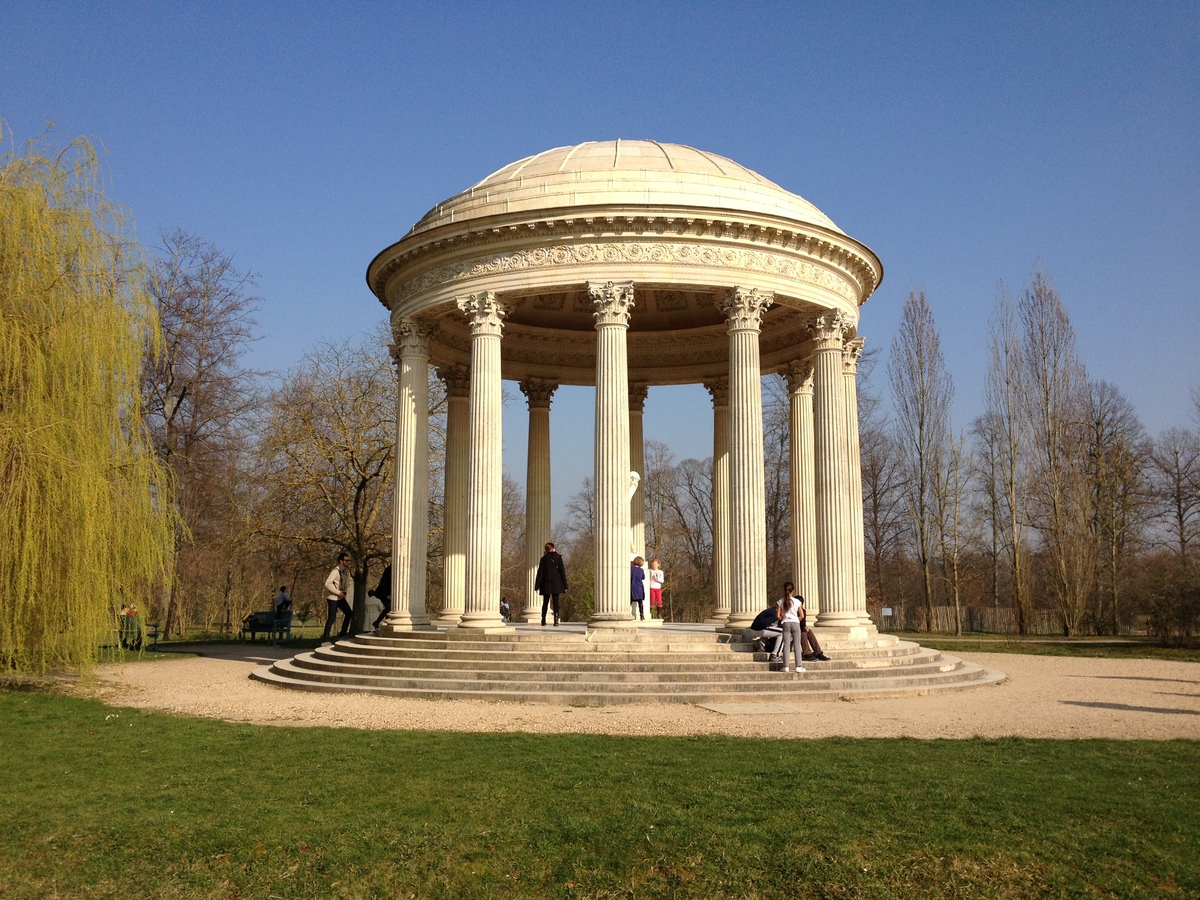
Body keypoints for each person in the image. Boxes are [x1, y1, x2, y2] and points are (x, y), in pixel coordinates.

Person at [780, 581, 832, 662]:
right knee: (803, 633)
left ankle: (818, 652)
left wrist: (804, 627)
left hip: (795, 629)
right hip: (788, 630)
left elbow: (802, 623)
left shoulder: (802, 611)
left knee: (808, 631)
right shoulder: (786, 607)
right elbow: (781, 620)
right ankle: (806, 653)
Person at [534, 541, 568, 626]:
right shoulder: (558, 558)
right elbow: (562, 572)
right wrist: (565, 585)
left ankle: (543, 619)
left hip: (546, 584)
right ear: (552, 548)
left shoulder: (543, 559)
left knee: (545, 602)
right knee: (556, 602)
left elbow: (540, 573)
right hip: (556, 583)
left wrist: (537, 585)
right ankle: (556, 620)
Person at [322, 552, 353, 642]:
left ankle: (343, 633)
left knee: (349, 613)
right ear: (341, 561)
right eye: (346, 561)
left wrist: (342, 592)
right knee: (332, 618)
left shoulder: (343, 572)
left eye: (349, 561)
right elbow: (327, 583)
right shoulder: (335, 571)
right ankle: (325, 639)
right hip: (333, 598)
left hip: (340, 598)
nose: (348, 562)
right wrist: (338, 592)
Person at [776, 583, 805, 673]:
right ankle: (798, 666)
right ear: (793, 591)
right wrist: (797, 620)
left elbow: (778, 615)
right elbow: (802, 615)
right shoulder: (797, 601)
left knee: (786, 644)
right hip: (795, 623)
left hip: (786, 623)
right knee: (797, 645)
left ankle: (786, 666)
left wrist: (783, 619)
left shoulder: (780, 601)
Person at [369, 565, 392, 630]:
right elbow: (385, 583)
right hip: (383, 593)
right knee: (389, 608)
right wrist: (387, 594)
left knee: (389, 609)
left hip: (386, 593)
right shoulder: (389, 570)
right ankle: (379, 622)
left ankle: (377, 622)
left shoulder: (391, 569)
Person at [630, 555, 647, 621]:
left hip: (632, 587)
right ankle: (641, 615)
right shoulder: (641, 570)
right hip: (639, 587)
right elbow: (643, 577)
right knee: (640, 603)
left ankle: (629, 613)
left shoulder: (630, 568)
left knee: (630, 601)